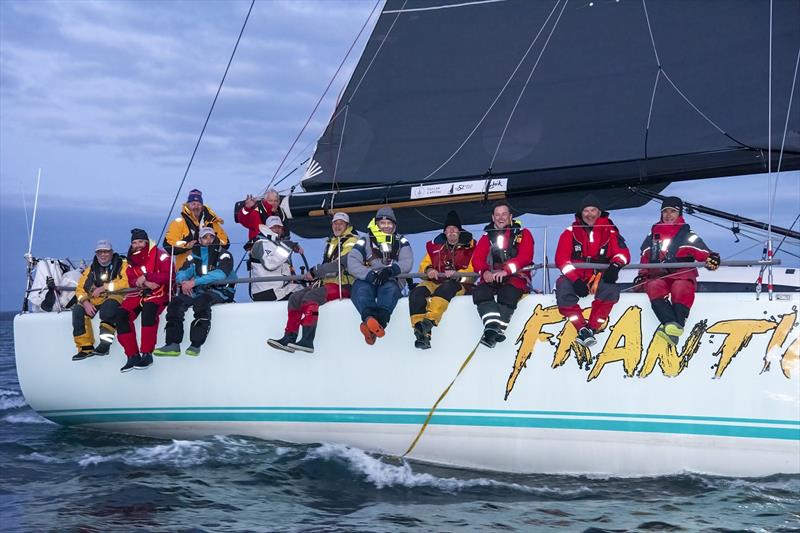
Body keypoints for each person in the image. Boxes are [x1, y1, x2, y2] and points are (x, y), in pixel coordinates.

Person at [268, 212, 359, 353]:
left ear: (348, 225)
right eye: (335, 223)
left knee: (312, 297)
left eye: (341, 223)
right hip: (327, 283)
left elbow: (340, 264)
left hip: (345, 285)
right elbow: (327, 265)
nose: (337, 225)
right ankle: (289, 337)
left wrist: (315, 271)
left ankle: (308, 340)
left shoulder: (354, 241)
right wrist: (316, 275)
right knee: (295, 298)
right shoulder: (332, 241)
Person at [635, 196, 720, 345]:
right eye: (665, 211)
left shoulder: (687, 234)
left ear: (679, 213)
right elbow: (645, 257)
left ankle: (674, 325)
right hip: (658, 275)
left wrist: (712, 258)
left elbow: (703, 252)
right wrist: (642, 275)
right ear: (661, 214)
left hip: (682, 274)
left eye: (672, 211)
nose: (668, 215)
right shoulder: (652, 234)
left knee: (681, 287)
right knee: (653, 286)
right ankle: (673, 327)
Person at [555, 194, 630, 348]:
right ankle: (581, 327)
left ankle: (591, 329)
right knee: (562, 287)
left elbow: (623, 254)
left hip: (599, 277)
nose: (589, 214)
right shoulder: (570, 232)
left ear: (599, 212)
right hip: (576, 277)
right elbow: (561, 260)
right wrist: (575, 280)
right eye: (586, 211)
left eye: (593, 210)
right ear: (581, 213)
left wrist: (615, 266)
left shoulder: (610, 231)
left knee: (611, 290)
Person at [154, 227, 236, 357]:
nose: (208, 240)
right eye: (205, 237)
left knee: (201, 302)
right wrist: (183, 282)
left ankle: (196, 344)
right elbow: (182, 272)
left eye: (211, 237)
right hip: (199, 290)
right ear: (199, 239)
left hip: (222, 290)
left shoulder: (224, 254)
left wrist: (194, 283)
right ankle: (173, 344)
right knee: (176, 303)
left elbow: (220, 274)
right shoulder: (194, 256)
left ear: (215, 238)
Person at [409, 210, 475, 349]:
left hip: (459, 284)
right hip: (435, 281)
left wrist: (457, 274)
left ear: (460, 231)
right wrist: (429, 270)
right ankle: (421, 333)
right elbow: (424, 265)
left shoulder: (471, 247)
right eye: (448, 229)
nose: (451, 232)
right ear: (444, 232)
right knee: (417, 293)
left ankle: (428, 323)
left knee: (445, 289)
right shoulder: (435, 247)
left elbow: (473, 270)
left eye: (454, 229)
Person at [472, 201, 534, 348]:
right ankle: (492, 327)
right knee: (480, 292)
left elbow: (525, 256)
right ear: (493, 218)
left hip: (515, 276)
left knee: (509, 294)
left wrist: (506, 270)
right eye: (497, 215)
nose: (501, 218)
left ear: (511, 216)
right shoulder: (486, 238)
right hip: (492, 277)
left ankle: (494, 332)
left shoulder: (523, 234)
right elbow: (477, 260)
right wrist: (484, 271)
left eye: (504, 214)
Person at [347, 207, 413, 345]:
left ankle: (374, 324)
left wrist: (391, 270)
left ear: (394, 225)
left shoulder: (401, 240)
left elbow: (407, 261)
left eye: (389, 223)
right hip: (368, 277)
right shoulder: (364, 239)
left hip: (390, 277)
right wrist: (369, 275)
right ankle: (372, 321)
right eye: (383, 223)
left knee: (389, 290)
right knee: (360, 290)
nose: (386, 226)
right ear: (376, 224)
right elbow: (352, 261)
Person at [115, 229, 173, 372]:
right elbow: (131, 279)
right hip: (140, 293)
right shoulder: (130, 260)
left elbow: (170, 276)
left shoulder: (160, 255)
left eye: (140, 241)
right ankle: (132, 355)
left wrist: (148, 276)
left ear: (146, 242)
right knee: (121, 315)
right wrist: (145, 282)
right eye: (134, 242)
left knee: (149, 311)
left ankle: (147, 354)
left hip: (160, 293)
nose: (137, 245)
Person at [71, 240, 128, 361]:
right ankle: (85, 348)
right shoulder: (90, 270)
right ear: (96, 254)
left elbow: (126, 282)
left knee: (108, 309)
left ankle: (105, 344)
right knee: (77, 310)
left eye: (106, 252)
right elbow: (80, 290)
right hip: (95, 300)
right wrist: (85, 303)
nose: (103, 254)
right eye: (100, 252)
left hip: (115, 296)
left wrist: (105, 287)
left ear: (112, 252)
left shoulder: (122, 265)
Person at [164, 189, 229, 270]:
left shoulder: (212, 223)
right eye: (193, 204)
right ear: (187, 205)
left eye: (198, 204)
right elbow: (168, 245)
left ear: (202, 206)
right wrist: (187, 245)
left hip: (211, 269)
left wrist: (212, 241)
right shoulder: (178, 223)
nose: (196, 207)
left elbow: (226, 243)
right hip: (185, 269)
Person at [249, 216, 302, 302]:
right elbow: (269, 265)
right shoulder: (261, 243)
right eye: (273, 227)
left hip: (278, 290)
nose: (277, 229)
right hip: (267, 292)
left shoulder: (276, 245)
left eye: (279, 227)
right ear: (267, 228)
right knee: (305, 295)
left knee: (307, 289)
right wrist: (288, 246)